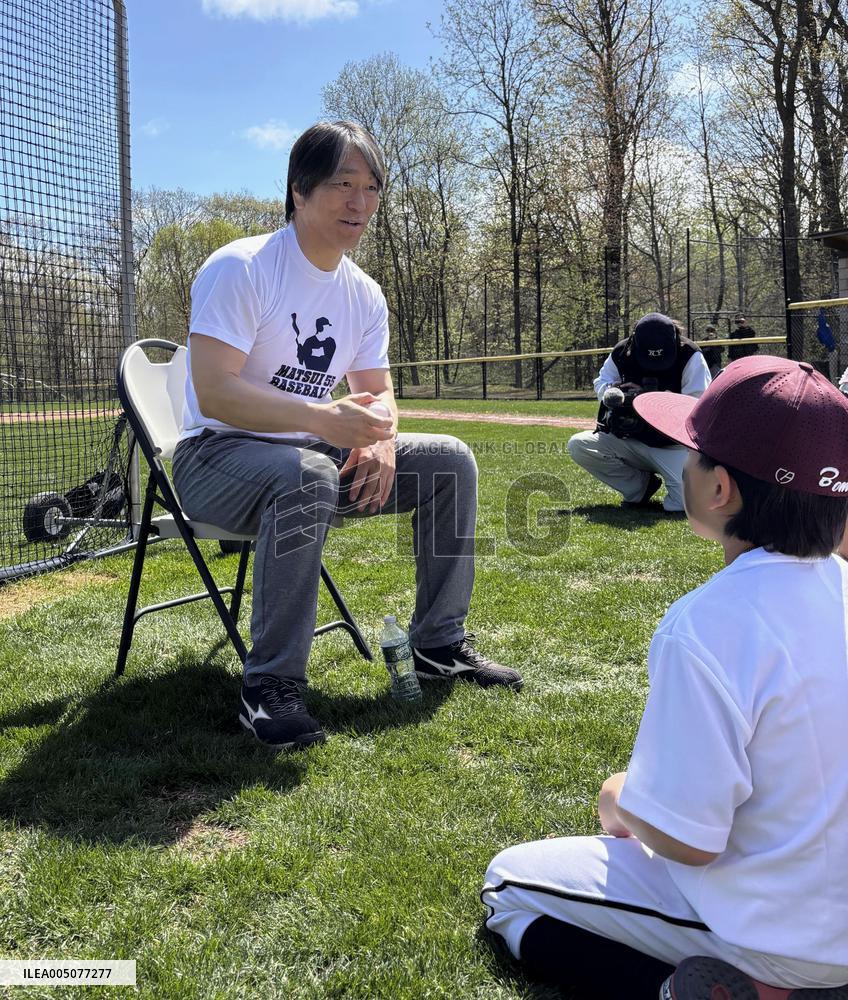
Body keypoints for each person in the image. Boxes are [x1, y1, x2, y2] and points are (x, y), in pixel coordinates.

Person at [482, 355, 848, 1000]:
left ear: (719, 489)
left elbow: (688, 841)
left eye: (692, 452)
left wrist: (621, 798)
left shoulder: (710, 623)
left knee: (509, 886)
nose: (683, 462)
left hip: (789, 938)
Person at [172, 120, 522, 751]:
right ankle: (269, 688)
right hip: (215, 458)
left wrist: (382, 440)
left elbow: (378, 390)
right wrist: (320, 420)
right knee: (306, 473)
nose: (359, 203)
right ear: (299, 191)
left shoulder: (363, 294)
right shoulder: (242, 268)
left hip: (308, 454)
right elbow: (214, 391)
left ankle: (439, 644)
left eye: (371, 188)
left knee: (450, 460)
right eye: (342, 185)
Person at [567, 313, 711, 512]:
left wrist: (650, 398)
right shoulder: (621, 351)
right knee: (579, 445)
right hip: (630, 438)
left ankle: (683, 484)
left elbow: (697, 404)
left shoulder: (690, 355)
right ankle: (639, 488)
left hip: (673, 445)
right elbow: (601, 382)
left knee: (683, 505)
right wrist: (615, 391)